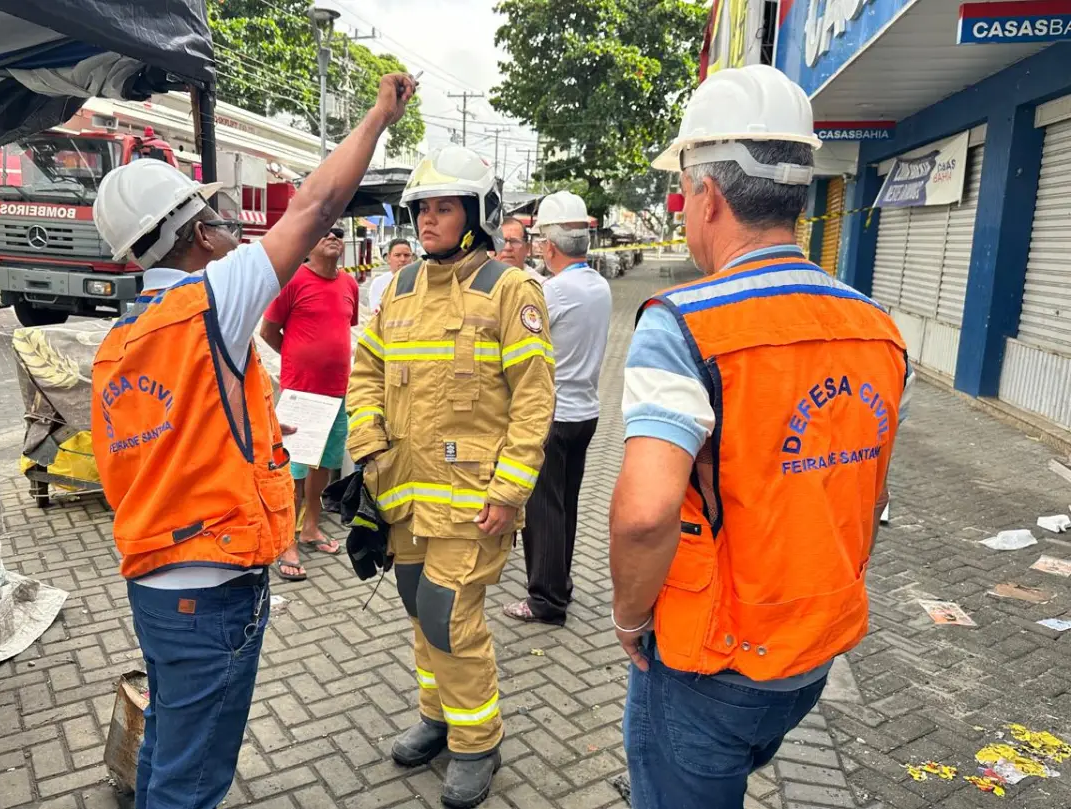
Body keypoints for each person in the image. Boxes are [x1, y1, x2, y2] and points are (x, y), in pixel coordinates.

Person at [89, 74, 416, 809]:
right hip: (212, 592)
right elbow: (317, 205)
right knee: (191, 779)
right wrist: (379, 116)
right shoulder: (210, 299)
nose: (226, 224)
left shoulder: (119, 340)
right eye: (211, 215)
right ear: (193, 231)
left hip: (153, 583)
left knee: (172, 743)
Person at [610, 64, 912, 809]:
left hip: (709, 661)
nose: (682, 213)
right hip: (813, 653)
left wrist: (628, 617)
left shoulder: (683, 325)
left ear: (708, 196)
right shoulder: (878, 329)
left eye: (683, 196)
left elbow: (645, 514)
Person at [346, 145, 555, 809]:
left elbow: (533, 400)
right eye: (423, 209)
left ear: (477, 213)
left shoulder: (510, 289)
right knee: (419, 611)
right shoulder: (399, 291)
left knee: (449, 617)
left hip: (474, 504)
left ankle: (477, 742)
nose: (429, 220)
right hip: (405, 495)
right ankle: (438, 717)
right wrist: (370, 448)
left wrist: (510, 490)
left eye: (443, 207)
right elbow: (366, 373)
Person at [503, 191, 611, 626]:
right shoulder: (598, 285)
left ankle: (546, 600)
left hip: (551, 415)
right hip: (585, 412)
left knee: (542, 512)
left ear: (547, 247)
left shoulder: (553, 292)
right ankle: (559, 582)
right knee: (564, 505)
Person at [259, 227, 361, 580]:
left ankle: (311, 528)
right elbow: (268, 332)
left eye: (338, 231)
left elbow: (344, 329)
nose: (334, 234)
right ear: (307, 244)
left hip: (337, 393)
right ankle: (286, 540)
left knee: (324, 466)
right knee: (294, 470)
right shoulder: (292, 282)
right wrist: (296, 359)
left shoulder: (349, 285)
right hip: (302, 393)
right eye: (324, 232)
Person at [368, 237, 415, 313]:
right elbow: (376, 313)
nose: (402, 259)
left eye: (406, 255)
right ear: (389, 258)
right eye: (397, 255)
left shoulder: (420, 280)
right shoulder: (379, 283)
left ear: (412, 258)